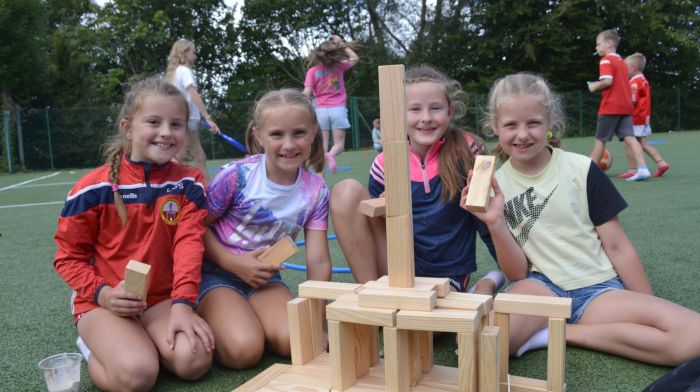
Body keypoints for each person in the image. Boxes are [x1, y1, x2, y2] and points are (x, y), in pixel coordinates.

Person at [462, 72, 700, 366]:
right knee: (482, 349)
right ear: (495, 127)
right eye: (511, 125)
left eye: (533, 123)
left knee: (693, 339)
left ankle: (557, 333)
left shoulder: (581, 168)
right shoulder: (495, 184)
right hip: (540, 286)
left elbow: (618, 248)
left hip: (597, 289)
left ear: (550, 124)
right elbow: (518, 274)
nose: (522, 134)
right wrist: (495, 222)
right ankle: (488, 285)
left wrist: (648, 305)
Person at [53, 77, 214, 391]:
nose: (166, 132)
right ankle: (94, 345)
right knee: (137, 376)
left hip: (160, 298)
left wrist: (182, 303)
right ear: (127, 127)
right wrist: (105, 295)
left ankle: (141, 341)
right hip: (102, 299)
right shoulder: (91, 188)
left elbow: (189, 245)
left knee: (193, 361)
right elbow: (67, 258)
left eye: (176, 124)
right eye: (154, 122)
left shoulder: (189, 183)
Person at [331, 65, 503, 295]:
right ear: (398, 115)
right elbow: (375, 230)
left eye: (435, 108)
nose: (426, 118)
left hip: (447, 274)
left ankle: (487, 283)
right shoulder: (384, 164)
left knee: (427, 330)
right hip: (399, 267)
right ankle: (374, 296)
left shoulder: (468, 150)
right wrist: (386, 209)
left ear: (450, 111)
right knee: (345, 191)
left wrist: (511, 269)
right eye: (415, 109)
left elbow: (486, 219)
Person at [197, 89, 332, 370]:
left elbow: (318, 261)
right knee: (244, 351)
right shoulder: (236, 176)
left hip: (264, 281)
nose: (289, 144)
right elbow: (196, 228)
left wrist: (317, 324)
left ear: (313, 133)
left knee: (295, 341)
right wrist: (234, 264)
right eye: (277, 135)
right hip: (214, 275)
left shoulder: (316, 190)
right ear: (258, 135)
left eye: (299, 133)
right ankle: (219, 314)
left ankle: (254, 318)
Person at [587, 29, 650, 182]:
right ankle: (643, 169)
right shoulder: (622, 62)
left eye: (598, 44)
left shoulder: (606, 60)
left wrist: (594, 86)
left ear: (609, 44)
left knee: (600, 139)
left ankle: (589, 172)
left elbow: (607, 81)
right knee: (630, 137)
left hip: (610, 107)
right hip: (626, 107)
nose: (596, 48)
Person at [166, 38, 221, 184]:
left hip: (185, 120)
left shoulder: (175, 73)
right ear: (184, 53)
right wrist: (208, 118)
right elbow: (193, 94)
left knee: (199, 156)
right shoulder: (184, 71)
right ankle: (169, 187)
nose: (195, 56)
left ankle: (207, 189)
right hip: (185, 120)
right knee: (177, 158)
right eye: (193, 52)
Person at [303, 34, 359, 173]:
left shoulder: (312, 71)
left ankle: (319, 176)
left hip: (321, 110)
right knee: (339, 144)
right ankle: (331, 155)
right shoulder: (339, 66)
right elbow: (355, 58)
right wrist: (341, 43)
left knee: (322, 145)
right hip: (338, 109)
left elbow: (307, 94)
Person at [616, 52, 669, 178]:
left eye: (626, 68)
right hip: (644, 117)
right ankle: (662, 163)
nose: (624, 71)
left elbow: (632, 101)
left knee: (628, 142)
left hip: (636, 117)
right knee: (643, 144)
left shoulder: (634, 82)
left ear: (633, 68)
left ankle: (633, 170)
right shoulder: (643, 80)